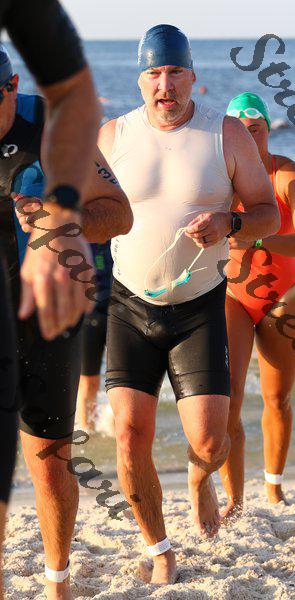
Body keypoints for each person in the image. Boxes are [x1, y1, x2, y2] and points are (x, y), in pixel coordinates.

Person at [99, 24, 280, 585]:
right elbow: (83, 210)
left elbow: (268, 213)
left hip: (199, 307)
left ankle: (199, 479)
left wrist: (230, 222)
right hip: (129, 304)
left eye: (175, 72)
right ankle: (160, 549)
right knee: (130, 434)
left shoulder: (226, 134)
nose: (165, 85)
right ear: (140, 79)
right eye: (154, 73)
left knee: (210, 441)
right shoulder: (112, 136)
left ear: (192, 76)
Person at [0, 47, 132, 600]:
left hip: (46, 320)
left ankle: (57, 582)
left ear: (11, 88)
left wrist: (62, 219)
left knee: (50, 464)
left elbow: (119, 213)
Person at [220, 92, 295, 516]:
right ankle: (234, 500)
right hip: (233, 296)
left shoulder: (288, 174)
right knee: (229, 400)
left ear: (266, 130)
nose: (247, 137)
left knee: (277, 398)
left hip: (283, 298)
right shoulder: (218, 178)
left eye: (255, 129)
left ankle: (274, 488)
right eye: (238, 131)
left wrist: (257, 238)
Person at [77, 241, 113, 432]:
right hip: (89, 317)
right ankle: (87, 432)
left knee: (122, 384)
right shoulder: (78, 238)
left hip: (119, 314)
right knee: (88, 381)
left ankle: (120, 434)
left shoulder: (120, 235)